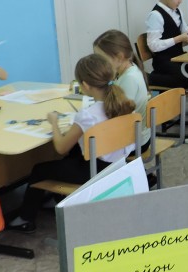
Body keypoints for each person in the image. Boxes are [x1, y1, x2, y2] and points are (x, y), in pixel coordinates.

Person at [8, 53, 135, 232]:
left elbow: (61, 148)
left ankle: (25, 218)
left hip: (95, 171)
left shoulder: (88, 115)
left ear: (85, 85)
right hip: (118, 164)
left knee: (39, 170)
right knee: (73, 153)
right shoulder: (124, 103)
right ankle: (56, 199)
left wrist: (54, 123)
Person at [94, 29, 151, 152]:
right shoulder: (127, 69)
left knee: (85, 143)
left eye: (102, 58)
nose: (99, 63)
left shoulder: (129, 79)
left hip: (133, 142)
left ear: (120, 57)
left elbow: (118, 118)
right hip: (133, 136)